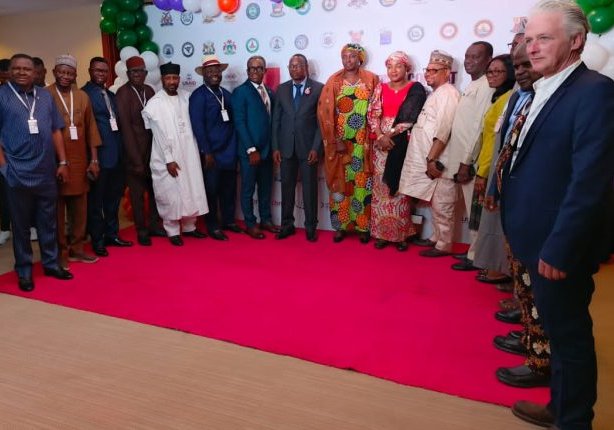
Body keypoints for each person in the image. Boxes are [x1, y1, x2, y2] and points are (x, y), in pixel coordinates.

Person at [500, 2, 614, 429]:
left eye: (544, 38)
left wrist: (562, 248)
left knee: (570, 339)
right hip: (532, 237)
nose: (532, 47)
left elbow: (590, 183)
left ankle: (574, 421)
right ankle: (560, 406)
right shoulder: (540, 87)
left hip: (557, 248)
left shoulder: (594, 91)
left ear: (576, 41)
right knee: (555, 332)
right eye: (529, 39)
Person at [0, 53, 73, 291]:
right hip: (16, 172)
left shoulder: (44, 96)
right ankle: (24, 270)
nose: (22, 72)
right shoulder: (2, 96)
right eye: (17, 68)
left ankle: (51, 264)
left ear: (35, 73)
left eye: (26, 69)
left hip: (46, 171)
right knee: (20, 226)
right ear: (10, 71)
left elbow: (55, 131)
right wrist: (4, 168)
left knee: (48, 221)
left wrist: (62, 163)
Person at [432, 41, 493, 261]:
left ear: (488, 60)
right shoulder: (473, 84)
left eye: (476, 57)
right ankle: (471, 251)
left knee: (475, 211)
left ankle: (475, 255)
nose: (469, 61)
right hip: (458, 159)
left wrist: (467, 162)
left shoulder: (488, 86)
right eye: (467, 56)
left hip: (471, 162)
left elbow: (479, 127)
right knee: (463, 207)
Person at [398, 50, 460, 255]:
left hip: (440, 160)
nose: (428, 74)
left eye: (434, 70)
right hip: (431, 160)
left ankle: (444, 244)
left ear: (447, 72)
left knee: (443, 204)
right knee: (436, 203)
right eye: (427, 70)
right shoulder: (437, 93)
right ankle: (436, 237)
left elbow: (444, 129)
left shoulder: (449, 93)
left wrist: (432, 158)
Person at [142, 62, 209, 246]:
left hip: (188, 152)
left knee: (191, 188)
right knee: (171, 193)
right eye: (168, 78)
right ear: (162, 80)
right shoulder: (155, 103)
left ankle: (189, 227)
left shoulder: (187, 98)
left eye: (174, 78)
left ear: (179, 79)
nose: (172, 81)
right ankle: (172, 230)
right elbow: (159, 135)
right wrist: (169, 160)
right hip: (167, 157)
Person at [318, 43, 379, 244]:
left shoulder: (371, 79)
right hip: (341, 144)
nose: (347, 60)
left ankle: (363, 227)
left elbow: (378, 107)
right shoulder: (334, 81)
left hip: (363, 145)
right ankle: (340, 226)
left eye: (351, 57)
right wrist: (336, 140)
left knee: (362, 185)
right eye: (344, 57)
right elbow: (324, 114)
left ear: (359, 58)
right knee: (340, 184)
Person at [367, 51, 426, 251]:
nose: (393, 71)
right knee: (380, 189)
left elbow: (410, 118)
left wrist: (390, 135)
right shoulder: (380, 88)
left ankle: (400, 235)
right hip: (380, 144)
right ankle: (382, 233)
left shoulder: (415, 89)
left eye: (398, 66)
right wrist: (379, 134)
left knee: (399, 188)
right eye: (390, 67)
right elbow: (373, 114)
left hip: (401, 141)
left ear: (407, 69)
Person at [48, 54, 101, 269]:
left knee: (80, 207)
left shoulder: (82, 97)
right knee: (57, 210)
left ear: (75, 75)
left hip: (80, 161)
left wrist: (94, 160)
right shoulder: (45, 95)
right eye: (61, 72)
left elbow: (91, 130)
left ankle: (77, 248)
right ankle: (61, 251)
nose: (65, 76)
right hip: (54, 163)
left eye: (69, 73)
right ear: (54, 72)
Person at [468, 54, 515, 282]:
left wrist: (483, 171)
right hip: (486, 164)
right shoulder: (499, 97)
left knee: (491, 218)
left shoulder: (510, 98)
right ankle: (487, 262)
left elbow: (496, 142)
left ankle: (497, 268)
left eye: (498, 71)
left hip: (492, 167)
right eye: (490, 71)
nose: (492, 75)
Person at [82, 57, 133, 256]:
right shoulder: (84, 95)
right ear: (89, 71)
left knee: (113, 201)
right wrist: (92, 159)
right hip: (99, 157)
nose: (101, 74)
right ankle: (98, 240)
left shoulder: (111, 95)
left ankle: (112, 234)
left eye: (104, 71)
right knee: (96, 203)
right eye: (97, 70)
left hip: (117, 155)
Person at [272, 54, 324, 242]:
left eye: (298, 66)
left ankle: (311, 227)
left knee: (310, 189)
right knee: (286, 189)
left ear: (306, 67)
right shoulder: (282, 89)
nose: (294, 69)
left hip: (308, 149)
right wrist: (276, 147)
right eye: (291, 66)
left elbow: (321, 123)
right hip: (286, 149)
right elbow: (276, 120)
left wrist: (316, 148)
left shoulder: (318, 89)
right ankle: (287, 225)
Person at [115, 55, 164, 246]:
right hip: (133, 153)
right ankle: (141, 230)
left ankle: (153, 225)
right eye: (134, 72)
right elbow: (125, 129)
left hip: (153, 151)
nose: (138, 75)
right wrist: (136, 160)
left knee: (154, 191)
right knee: (136, 195)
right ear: (128, 74)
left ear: (145, 73)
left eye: (141, 71)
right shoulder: (123, 94)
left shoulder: (150, 90)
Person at [189, 54, 239, 241]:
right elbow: (198, 126)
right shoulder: (198, 96)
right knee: (212, 190)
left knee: (229, 189)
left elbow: (233, 124)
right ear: (204, 74)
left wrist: (233, 148)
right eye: (210, 71)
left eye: (216, 70)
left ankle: (228, 221)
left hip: (228, 151)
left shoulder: (226, 95)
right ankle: (213, 225)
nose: (214, 74)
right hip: (211, 154)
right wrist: (206, 152)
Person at [232, 55, 279, 239]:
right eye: (252, 68)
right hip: (250, 152)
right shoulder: (240, 92)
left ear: (265, 71)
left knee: (266, 189)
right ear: (247, 71)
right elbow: (240, 122)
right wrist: (251, 149)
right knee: (248, 190)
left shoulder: (269, 91)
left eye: (259, 68)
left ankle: (265, 219)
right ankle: (250, 224)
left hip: (267, 151)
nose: (255, 71)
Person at [0, 58, 12, 246]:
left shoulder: (31, 94)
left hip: (24, 152)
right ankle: (4, 227)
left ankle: (33, 225)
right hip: (3, 153)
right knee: (4, 192)